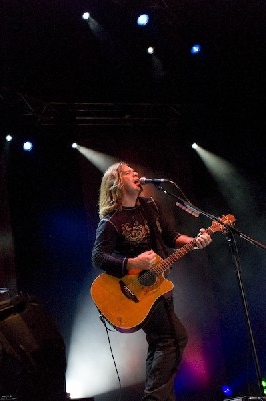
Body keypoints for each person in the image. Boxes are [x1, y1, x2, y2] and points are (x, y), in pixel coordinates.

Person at [91, 162, 212, 401]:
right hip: (134, 291)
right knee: (173, 339)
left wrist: (194, 241)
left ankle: (160, 398)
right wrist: (134, 263)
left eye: (134, 171)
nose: (136, 173)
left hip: (157, 288)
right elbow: (98, 257)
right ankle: (155, 398)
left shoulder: (150, 206)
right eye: (128, 172)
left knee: (161, 344)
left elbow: (170, 236)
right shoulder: (111, 221)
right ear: (116, 184)